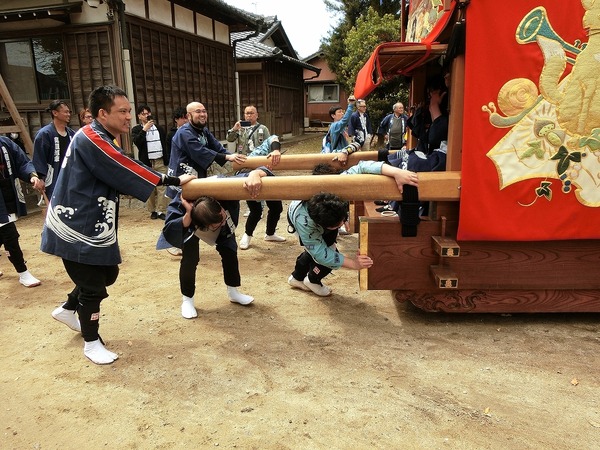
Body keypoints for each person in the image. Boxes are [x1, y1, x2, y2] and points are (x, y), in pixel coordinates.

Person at [43, 85, 194, 365]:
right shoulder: (91, 137)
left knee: (107, 273)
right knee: (93, 286)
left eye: (129, 111)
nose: (128, 117)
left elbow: (121, 167)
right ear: (103, 113)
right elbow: (124, 165)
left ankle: (68, 308)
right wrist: (172, 180)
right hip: (76, 226)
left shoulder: (98, 136)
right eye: (122, 111)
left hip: (91, 222)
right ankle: (91, 342)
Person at [287, 160, 419, 296]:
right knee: (322, 252)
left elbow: (363, 167)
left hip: (321, 216)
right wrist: (354, 264)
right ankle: (312, 280)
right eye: (336, 225)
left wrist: (397, 172)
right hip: (299, 217)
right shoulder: (305, 224)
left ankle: (296, 278)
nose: (341, 225)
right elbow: (322, 255)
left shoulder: (338, 184)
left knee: (315, 250)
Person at [166, 101, 248, 316]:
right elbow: (200, 152)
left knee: (228, 245)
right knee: (190, 254)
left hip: (204, 188)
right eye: (198, 111)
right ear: (188, 115)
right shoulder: (184, 132)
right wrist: (228, 157)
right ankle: (187, 300)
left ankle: (233, 290)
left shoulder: (204, 131)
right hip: (185, 192)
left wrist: (234, 158)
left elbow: (217, 149)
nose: (202, 114)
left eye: (204, 111)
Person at [158, 167, 271, 318]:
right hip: (190, 221)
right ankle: (187, 299)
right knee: (190, 260)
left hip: (216, 214)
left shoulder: (223, 185)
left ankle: (233, 291)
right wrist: (188, 215)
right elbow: (170, 230)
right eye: (218, 223)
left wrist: (255, 174)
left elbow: (264, 169)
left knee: (230, 251)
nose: (223, 221)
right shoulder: (182, 200)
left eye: (222, 217)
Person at [227, 106, 286, 249]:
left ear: (257, 115)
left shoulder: (263, 130)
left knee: (276, 207)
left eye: (251, 113)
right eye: (246, 113)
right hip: (245, 168)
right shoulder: (240, 129)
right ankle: (247, 235)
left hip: (263, 168)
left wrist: (275, 150)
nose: (248, 116)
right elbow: (230, 139)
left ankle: (270, 233)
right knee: (256, 210)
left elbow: (272, 139)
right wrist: (235, 129)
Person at [0, 136, 44, 287]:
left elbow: (22, 162)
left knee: (3, 234)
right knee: (10, 235)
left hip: (7, 195)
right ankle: (23, 273)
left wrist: (32, 176)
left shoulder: (5, 142)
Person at [131, 104, 170, 220]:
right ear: (139, 116)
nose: (146, 115)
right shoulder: (136, 130)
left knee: (162, 186)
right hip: (147, 163)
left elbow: (165, 144)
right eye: (143, 114)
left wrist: (166, 158)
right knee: (150, 187)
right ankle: (152, 210)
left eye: (148, 113)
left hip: (160, 160)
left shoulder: (159, 128)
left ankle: (161, 210)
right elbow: (137, 142)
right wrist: (144, 129)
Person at [32, 99, 75, 198]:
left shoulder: (72, 134)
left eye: (69, 112)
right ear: (55, 113)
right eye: (66, 112)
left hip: (70, 177)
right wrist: (40, 178)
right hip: (53, 177)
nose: (68, 114)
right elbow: (39, 158)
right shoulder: (45, 134)